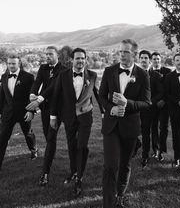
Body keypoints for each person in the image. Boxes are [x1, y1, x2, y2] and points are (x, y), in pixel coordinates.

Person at [99, 39, 151, 208]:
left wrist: (127, 103)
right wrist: (110, 109)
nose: (121, 54)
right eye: (120, 51)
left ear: (134, 55)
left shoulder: (143, 75)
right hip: (111, 126)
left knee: (125, 165)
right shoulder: (109, 71)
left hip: (130, 126)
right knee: (110, 166)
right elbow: (101, 96)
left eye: (126, 52)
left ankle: (120, 194)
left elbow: (146, 103)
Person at [50, 47, 104, 197]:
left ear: (86, 60)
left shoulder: (92, 76)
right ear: (72, 60)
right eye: (77, 58)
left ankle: (79, 178)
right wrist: (53, 116)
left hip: (86, 116)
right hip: (68, 117)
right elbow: (55, 96)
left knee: (82, 146)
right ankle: (73, 171)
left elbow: (98, 95)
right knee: (71, 146)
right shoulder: (62, 75)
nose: (80, 61)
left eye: (82, 58)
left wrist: (105, 112)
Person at [26, 46, 65, 186]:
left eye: (50, 54)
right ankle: (50, 154)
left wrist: (39, 98)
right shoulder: (43, 68)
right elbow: (37, 82)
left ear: (57, 55)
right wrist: (32, 93)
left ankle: (45, 173)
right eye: (46, 54)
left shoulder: (63, 69)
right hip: (46, 107)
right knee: (49, 137)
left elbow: (54, 86)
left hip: (59, 108)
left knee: (51, 137)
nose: (47, 56)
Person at [0, 53, 37, 169]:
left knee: (28, 134)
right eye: (9, 63)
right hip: (8, 113)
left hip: (24, 112)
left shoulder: (29, 77)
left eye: (13, 63)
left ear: (19, 63)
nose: (11, 66)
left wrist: (31, 111)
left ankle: (33, 149)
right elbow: (2, 96)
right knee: (2, 138)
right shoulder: (3, 76)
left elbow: (32, 96)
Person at [139, 50, 163, 168]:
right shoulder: (134, 75)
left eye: (146, 58)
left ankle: (156, 151)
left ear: (149, 60)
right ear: (139, 60)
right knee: (144, 133)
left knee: (154, 130)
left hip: (152, 109)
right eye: (142, 58)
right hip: (138, 109)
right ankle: (144, 156)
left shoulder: (156, 75)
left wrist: (151, 102)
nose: (144, 60)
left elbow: (160, 92)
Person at [149, 52, 171, 161]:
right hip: (153, 104)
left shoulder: (168, 71)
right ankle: (155, 150)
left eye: (158, 59)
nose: (156, 61)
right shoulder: (148, 72)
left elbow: (170, 88)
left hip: (164, 104)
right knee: (153, 128)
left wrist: (164, 100)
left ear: (160, 60)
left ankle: (162, 150)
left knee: (163, 128)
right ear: (151, 60)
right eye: (154, 59)